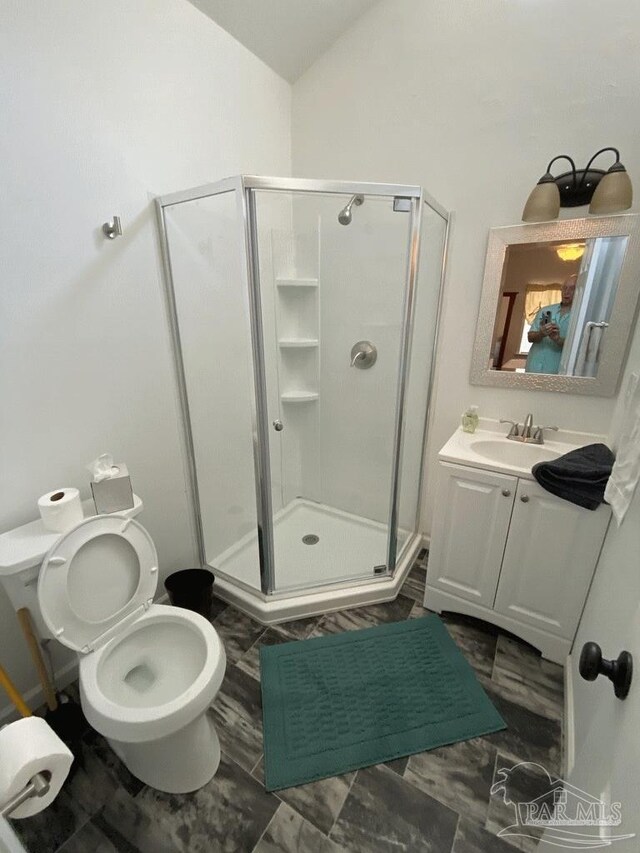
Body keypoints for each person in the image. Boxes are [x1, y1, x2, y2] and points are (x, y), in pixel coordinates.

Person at [525, 275, 577, 374]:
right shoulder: (547, 311)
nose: (567, 292)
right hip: (535, 368)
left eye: (572, 289)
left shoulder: (580, 316)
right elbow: (530, 337)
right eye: (564, 288)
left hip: (559, 372)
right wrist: (541, 333)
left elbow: (578, 347)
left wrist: (558, 339)